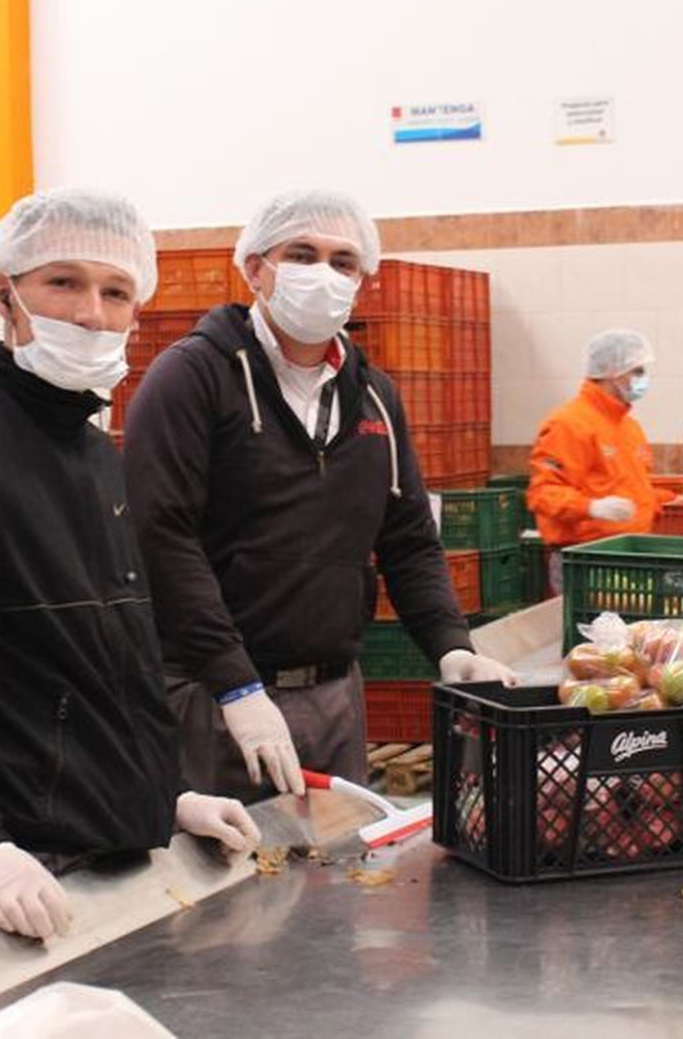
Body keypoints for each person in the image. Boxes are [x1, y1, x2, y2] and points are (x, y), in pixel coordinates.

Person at [0, 190, 260, 942]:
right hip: (21, 871)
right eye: (62, 283)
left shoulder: (97, 453)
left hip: (115, 851)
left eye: (115, 291)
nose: (92, 314)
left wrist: (161, 796)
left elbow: (103, 668)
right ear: (5, 294)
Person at [124, 189, 514, 803]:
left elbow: (409, 538)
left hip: (334, 697)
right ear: (255, 268)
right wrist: (235, 686)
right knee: (228, 885)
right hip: (214, 697)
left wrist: (452, 647)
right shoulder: (193, 377)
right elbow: (161, 536)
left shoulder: (375, 396)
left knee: (335, 885)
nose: (324, 275)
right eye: (302, 254)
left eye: (343, 262)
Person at [527, 329, 674, 592]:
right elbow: (543, 493)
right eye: (637, 371)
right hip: (585, 561)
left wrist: (679, 502)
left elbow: (631, 492)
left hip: (631, 556)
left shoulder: (629, 427)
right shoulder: (569, 424)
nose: (644, 379)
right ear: (613, 373)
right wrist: (590, 507)